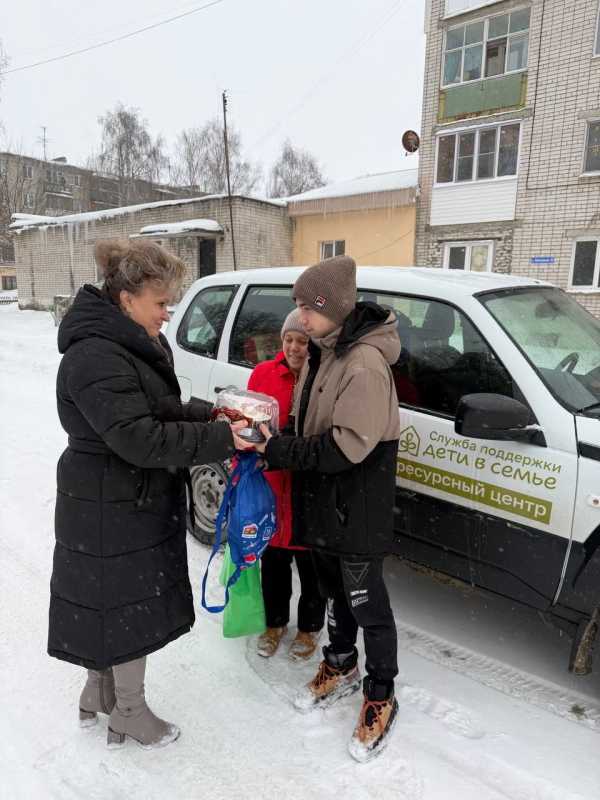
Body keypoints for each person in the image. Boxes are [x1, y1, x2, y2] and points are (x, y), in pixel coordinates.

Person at [49, 238, 250, 750]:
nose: (168, 312)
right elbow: (140, 438)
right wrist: (223, 439)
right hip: (111, 499)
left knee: (108, 599)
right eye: (161, 302)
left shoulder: (128, 341)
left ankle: (98, 693)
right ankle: (129, 713)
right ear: (126, 298)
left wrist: (211, 414)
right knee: (125, 606)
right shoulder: (97, 354)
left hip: (118, 495)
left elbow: (156, 408)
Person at [255, 255, 401, 762]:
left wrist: (280, 449)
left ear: (333, 307)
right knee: (333, 591)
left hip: (355, 509)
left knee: (367, 604)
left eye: (308, 306)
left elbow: (344, 447)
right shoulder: (325, 351)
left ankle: (380, 693)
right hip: (324, 504)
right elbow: (308, 424)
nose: (301, 316)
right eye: (297, 305)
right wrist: (270, 435)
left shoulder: (364, 363)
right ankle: (340, 663)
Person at [247, 310, 326, 660]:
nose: (294, 348)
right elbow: (247, 425)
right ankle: (274, 623)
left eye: (302, 341)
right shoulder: (263, 373)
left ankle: (310, 628)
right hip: (272, 485)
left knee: (312, 567)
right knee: (274, 561)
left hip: (308, 489)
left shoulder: (323, 376)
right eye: (288, 340)